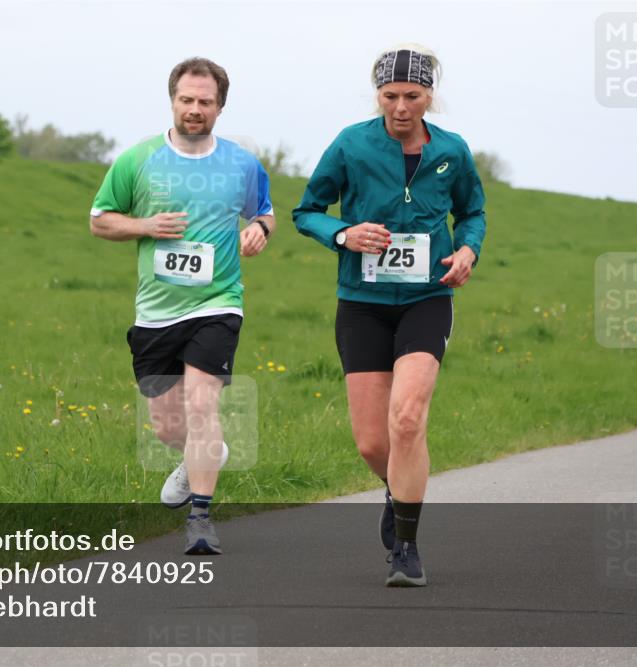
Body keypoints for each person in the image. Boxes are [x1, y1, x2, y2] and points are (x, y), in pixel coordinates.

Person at [292, 45, 485, 586]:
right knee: (373, 443)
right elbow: (307, 210)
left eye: (413, 96)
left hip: (427, 299)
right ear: (376, 95)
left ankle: (406, 545)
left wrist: (468, 249)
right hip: (363, 304)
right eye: (390, 95)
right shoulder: (351, 144)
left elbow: (472, 211)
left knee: (407, 419)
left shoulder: (452, 150)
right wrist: (342, 234)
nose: (401, 107)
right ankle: (399, 487)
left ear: (430, 97)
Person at [89, 57, 275, 555]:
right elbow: (100, 220)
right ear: (172, 99)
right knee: (168, 425)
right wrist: (146, 226)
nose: (195, 110)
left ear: (220, 106)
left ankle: (200, 520)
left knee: (201, 403)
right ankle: (201, 455)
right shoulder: (137, 160)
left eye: (205, 102)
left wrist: (258, 231)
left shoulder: (241, 163)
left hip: (217, 303)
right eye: (187, 100)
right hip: (155, 311)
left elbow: (265, 214)